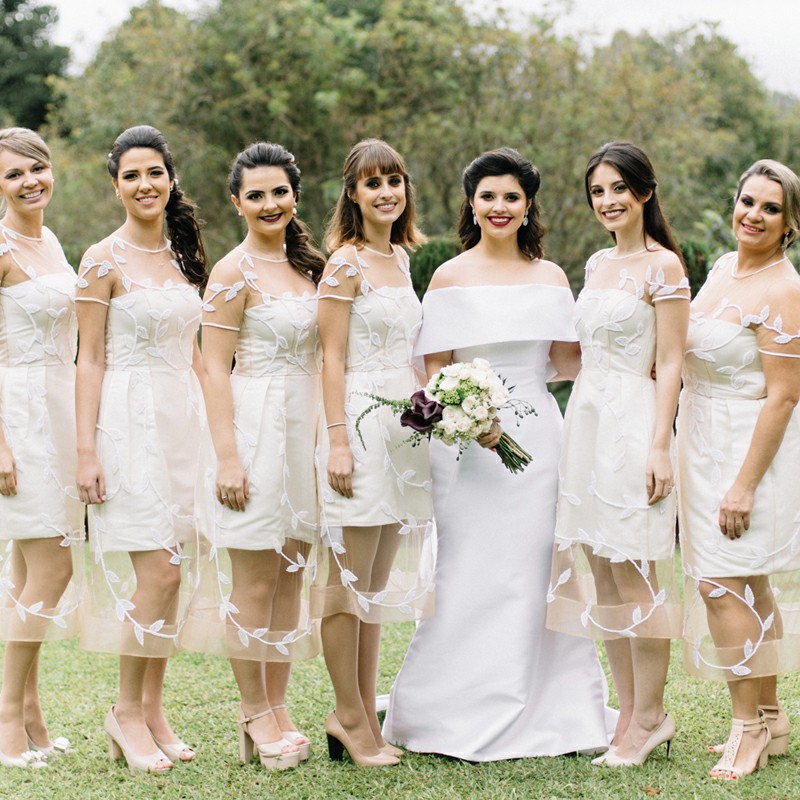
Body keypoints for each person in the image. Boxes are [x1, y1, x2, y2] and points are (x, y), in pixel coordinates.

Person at [383, 147, 613, 761]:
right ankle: (447, 706)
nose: (500, 207)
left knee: (535, 567)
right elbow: (432, 379)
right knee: (466, 568)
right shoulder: (448, 277)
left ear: (528, 205)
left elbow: (567, 363)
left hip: (537, 436)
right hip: (463, 451)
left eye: (511, 196)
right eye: (488, 196)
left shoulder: (553, 278)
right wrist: (461, 415)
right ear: (472, 204)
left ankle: (550, 704)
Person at [545, 141, 689, 767]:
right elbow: (574, 352)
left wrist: (660, 446)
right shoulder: (597, 264)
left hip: (635, 418)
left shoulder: (666, 269)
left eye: (617, 189)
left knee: (636, 572)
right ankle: (629, 714)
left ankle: (651, 715)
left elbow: (672, 361)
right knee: (601, 572)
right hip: (586, 417)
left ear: (645, 192)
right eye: (597, 191)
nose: (607, 201)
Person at [182, 142, 324, 769]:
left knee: (293, 568)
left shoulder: (311, 267)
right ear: (237, 203)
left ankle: (278, 704)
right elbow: (212, 369)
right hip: (254, 424)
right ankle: (254, 712)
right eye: (256, 195)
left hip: (305, 427)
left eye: (279, 192)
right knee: (255, 578)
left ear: (295, 195)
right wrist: (228, 457)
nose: (270, 204)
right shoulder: (231, 273)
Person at [75, 125, 207, 773]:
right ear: (116, 185)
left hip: (184, 424)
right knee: (157, 572)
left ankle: (153, 709)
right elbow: (89, 358)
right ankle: (125, 713)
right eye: (131, 175)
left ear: (170, 178)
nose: (145, 185)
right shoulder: (102, 258)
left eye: (154, 172)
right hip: (127, 426)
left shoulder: (185, 258)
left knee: (175, 573)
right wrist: (85, 451)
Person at [677, 159, 800, 780]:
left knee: (719, 584)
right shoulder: (724, 268)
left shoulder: (785, 289)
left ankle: (746, 729)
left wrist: (745, 484)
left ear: (789, 223)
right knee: (747, 583)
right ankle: (773, 715)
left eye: (770, 208)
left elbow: (783, 395)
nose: (753, 215)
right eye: (746, 201)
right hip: (699, 439)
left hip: (748, 450)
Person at [313, 139, 434, 767]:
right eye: (372, 183)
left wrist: (429, 411)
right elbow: (329, 357)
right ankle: (350, 716)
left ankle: (358, 710)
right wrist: (337, 439)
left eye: (394, 180)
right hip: (356, 424)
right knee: (346, 582)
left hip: (400, 427)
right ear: (352, 194)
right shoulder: (345, 263)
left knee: (375, 586)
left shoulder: (400, 261)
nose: (386, 191)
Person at [0, 127, 83, 768]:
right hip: (18, 417)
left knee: (28, 575)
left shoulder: (51, 241)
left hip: (60, 409)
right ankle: (6, 717)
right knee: (53, 569)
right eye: (12, 174)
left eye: (36, 168)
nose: (29, 181)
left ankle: (32, 715)